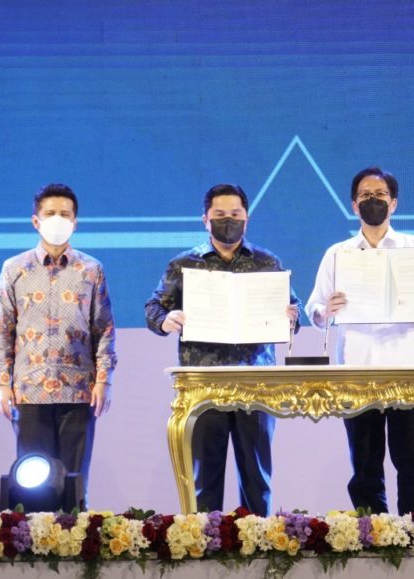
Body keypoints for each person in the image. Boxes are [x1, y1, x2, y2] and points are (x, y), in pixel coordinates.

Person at [305, 166, 414, 515]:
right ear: (353, 205)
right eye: (364, 196)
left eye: (379, 196)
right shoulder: (338, 254)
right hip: (357, 371)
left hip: (410, 371)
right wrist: (324, 310)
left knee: (413, 465)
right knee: (364, 467)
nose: (371, 201)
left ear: (393, 204)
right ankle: (372, 534)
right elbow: (314, 308)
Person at [145, 183, 299, 516]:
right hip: (204, 383)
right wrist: (166, 319)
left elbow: (293, 309)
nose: (227, 220)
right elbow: (154, 307)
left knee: (257, 478)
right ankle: (205, 548)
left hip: (255, 384)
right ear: (205, 219)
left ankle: (261, 551)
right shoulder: (184, 264)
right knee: (205, 479)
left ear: (247, 218)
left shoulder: (266, 262)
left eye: (235, 214)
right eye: (219, 215)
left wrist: (290, 317)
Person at [0, 183, 116, 506]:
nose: (57, 220)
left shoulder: (91, 270)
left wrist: (104, 380)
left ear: (75, 222)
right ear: (36, 220)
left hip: (79, 390)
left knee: (74, 484)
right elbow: (3, 329)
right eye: (50, 214)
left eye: (65, 214)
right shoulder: (14, 269)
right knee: (31, 488)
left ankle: (78, 550)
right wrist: (1, 383)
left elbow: (104, 329)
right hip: (29, 389)